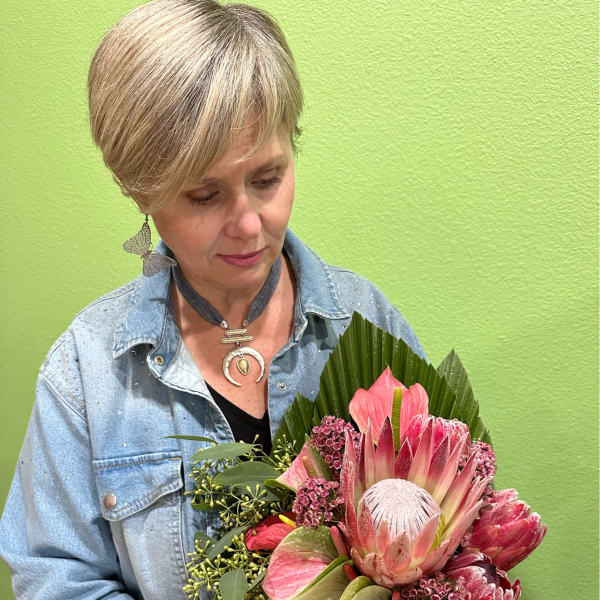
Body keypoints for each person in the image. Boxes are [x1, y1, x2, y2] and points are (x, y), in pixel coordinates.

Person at [0, 1, 427, 598]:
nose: (249, 225)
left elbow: (447, 524)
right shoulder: (87, 370)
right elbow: (57, 578)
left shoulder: (365, 323)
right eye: (204, 195)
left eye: (267, 178)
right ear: (140, 191)